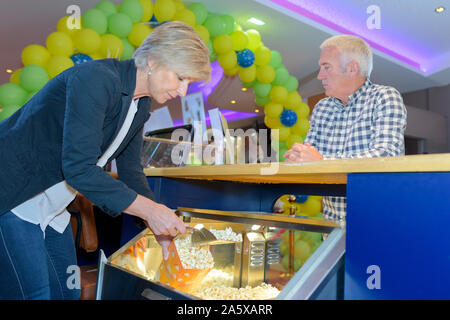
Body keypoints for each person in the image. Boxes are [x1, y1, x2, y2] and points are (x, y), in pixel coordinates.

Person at [0, 21, 210, 300]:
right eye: (180, 77)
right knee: (35, 294)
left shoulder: (141, 105)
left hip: (53, 208)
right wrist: (149, 211)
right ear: (152, 60)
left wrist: (156, 224)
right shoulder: (96, 79)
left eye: (189, 83)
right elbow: (79, 169)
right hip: (16, 197)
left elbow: (131, 171)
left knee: (68, 294)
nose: (182, 92)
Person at [284, 35, 407, 227]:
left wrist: (322, 162)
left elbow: (385, 157)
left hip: (379, 224)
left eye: (327, 67)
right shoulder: (322, 107)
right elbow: (310, 156)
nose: (319, 75)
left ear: (352, 68)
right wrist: (298, 157)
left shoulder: (385, 97)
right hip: (332, 227)